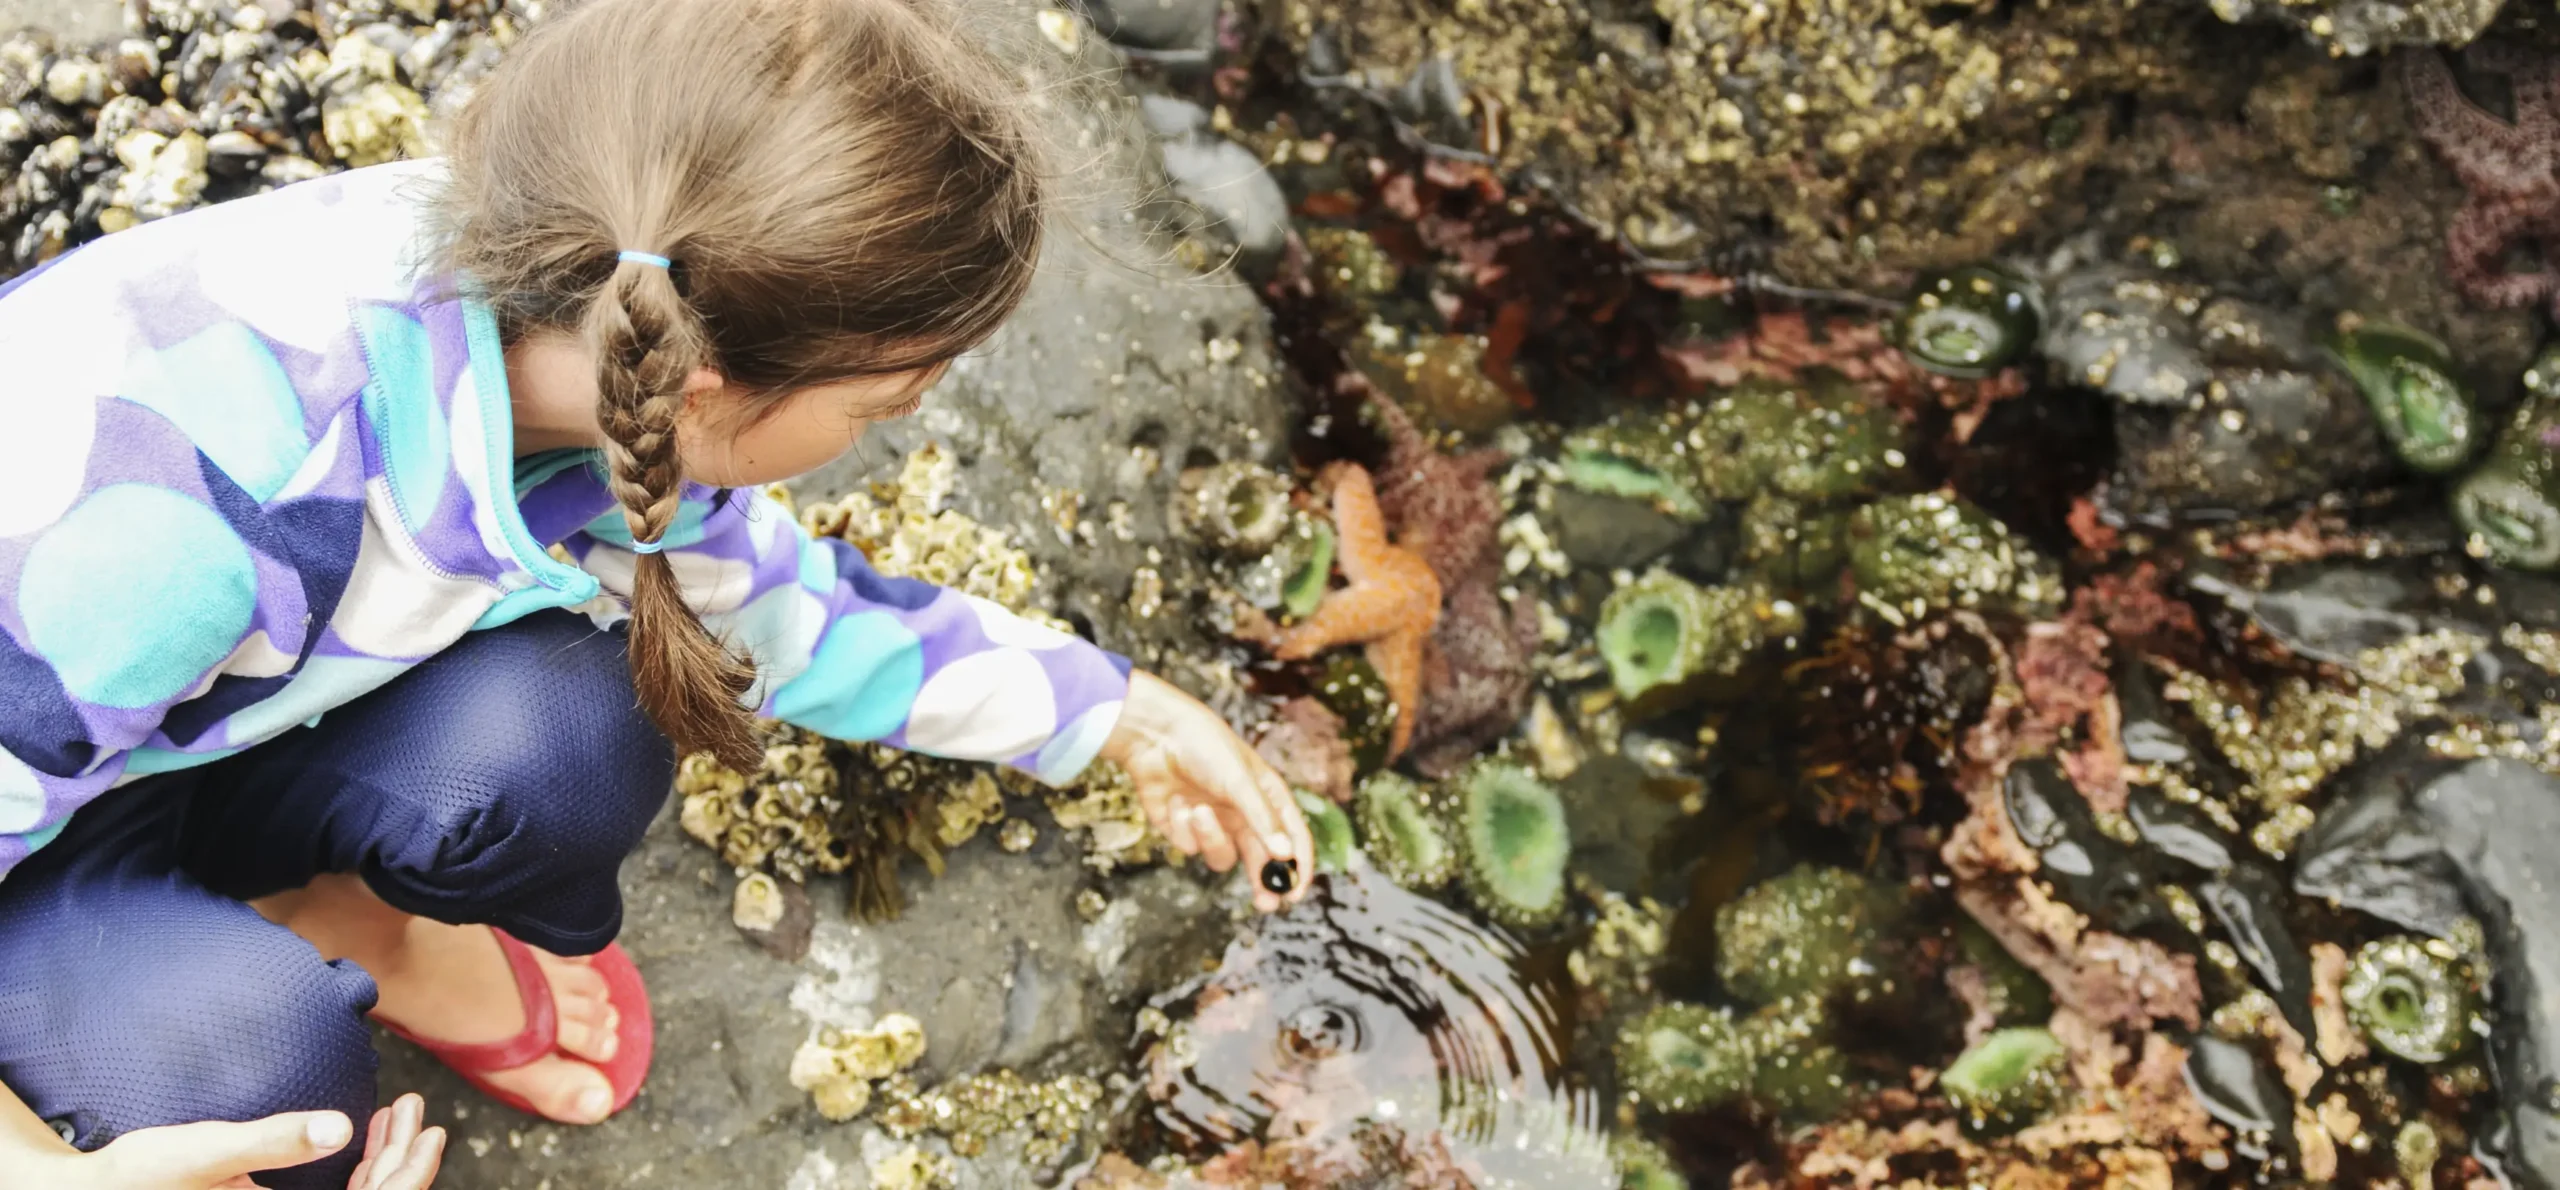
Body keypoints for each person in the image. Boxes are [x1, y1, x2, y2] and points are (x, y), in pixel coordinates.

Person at [0, 0, 1313, 1185]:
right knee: (261, 1096)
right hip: (39, 795)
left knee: (586, 717)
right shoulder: (179, 513)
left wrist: (1116, 713)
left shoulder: (586, 308)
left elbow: (789, 613)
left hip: (186, 720)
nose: (904, 418)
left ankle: (338, 912)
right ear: (706, 389)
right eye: (892, 398)